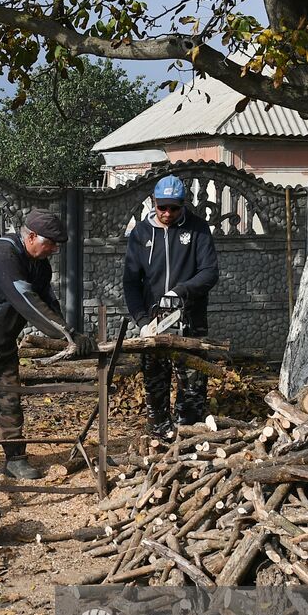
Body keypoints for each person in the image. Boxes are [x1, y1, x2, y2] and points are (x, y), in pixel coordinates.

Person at [0, 208, 96, 483]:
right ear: (31, 237)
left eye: (55, 245)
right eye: (49, 243)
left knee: (10, 399)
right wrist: (67, 334)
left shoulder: (40, 265)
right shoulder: (3, 254)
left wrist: (71, 335)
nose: (53, 250)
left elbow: (48, 302)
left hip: (2, 339)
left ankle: (15, 459)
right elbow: (26, 300)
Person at [122, 175, 220, 442]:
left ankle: (189, 440)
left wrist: (180, 291)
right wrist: (142, 320)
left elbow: (210, 272)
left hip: (190, 320)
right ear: (154, 202)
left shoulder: (198, 229)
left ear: (183, 205)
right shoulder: (141, 234)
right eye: (162, 207)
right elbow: (131, 282)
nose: (167, 213)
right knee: (155, 384)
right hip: (154, 323)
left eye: (174, 208)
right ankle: (159, 438)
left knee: (192, 387)